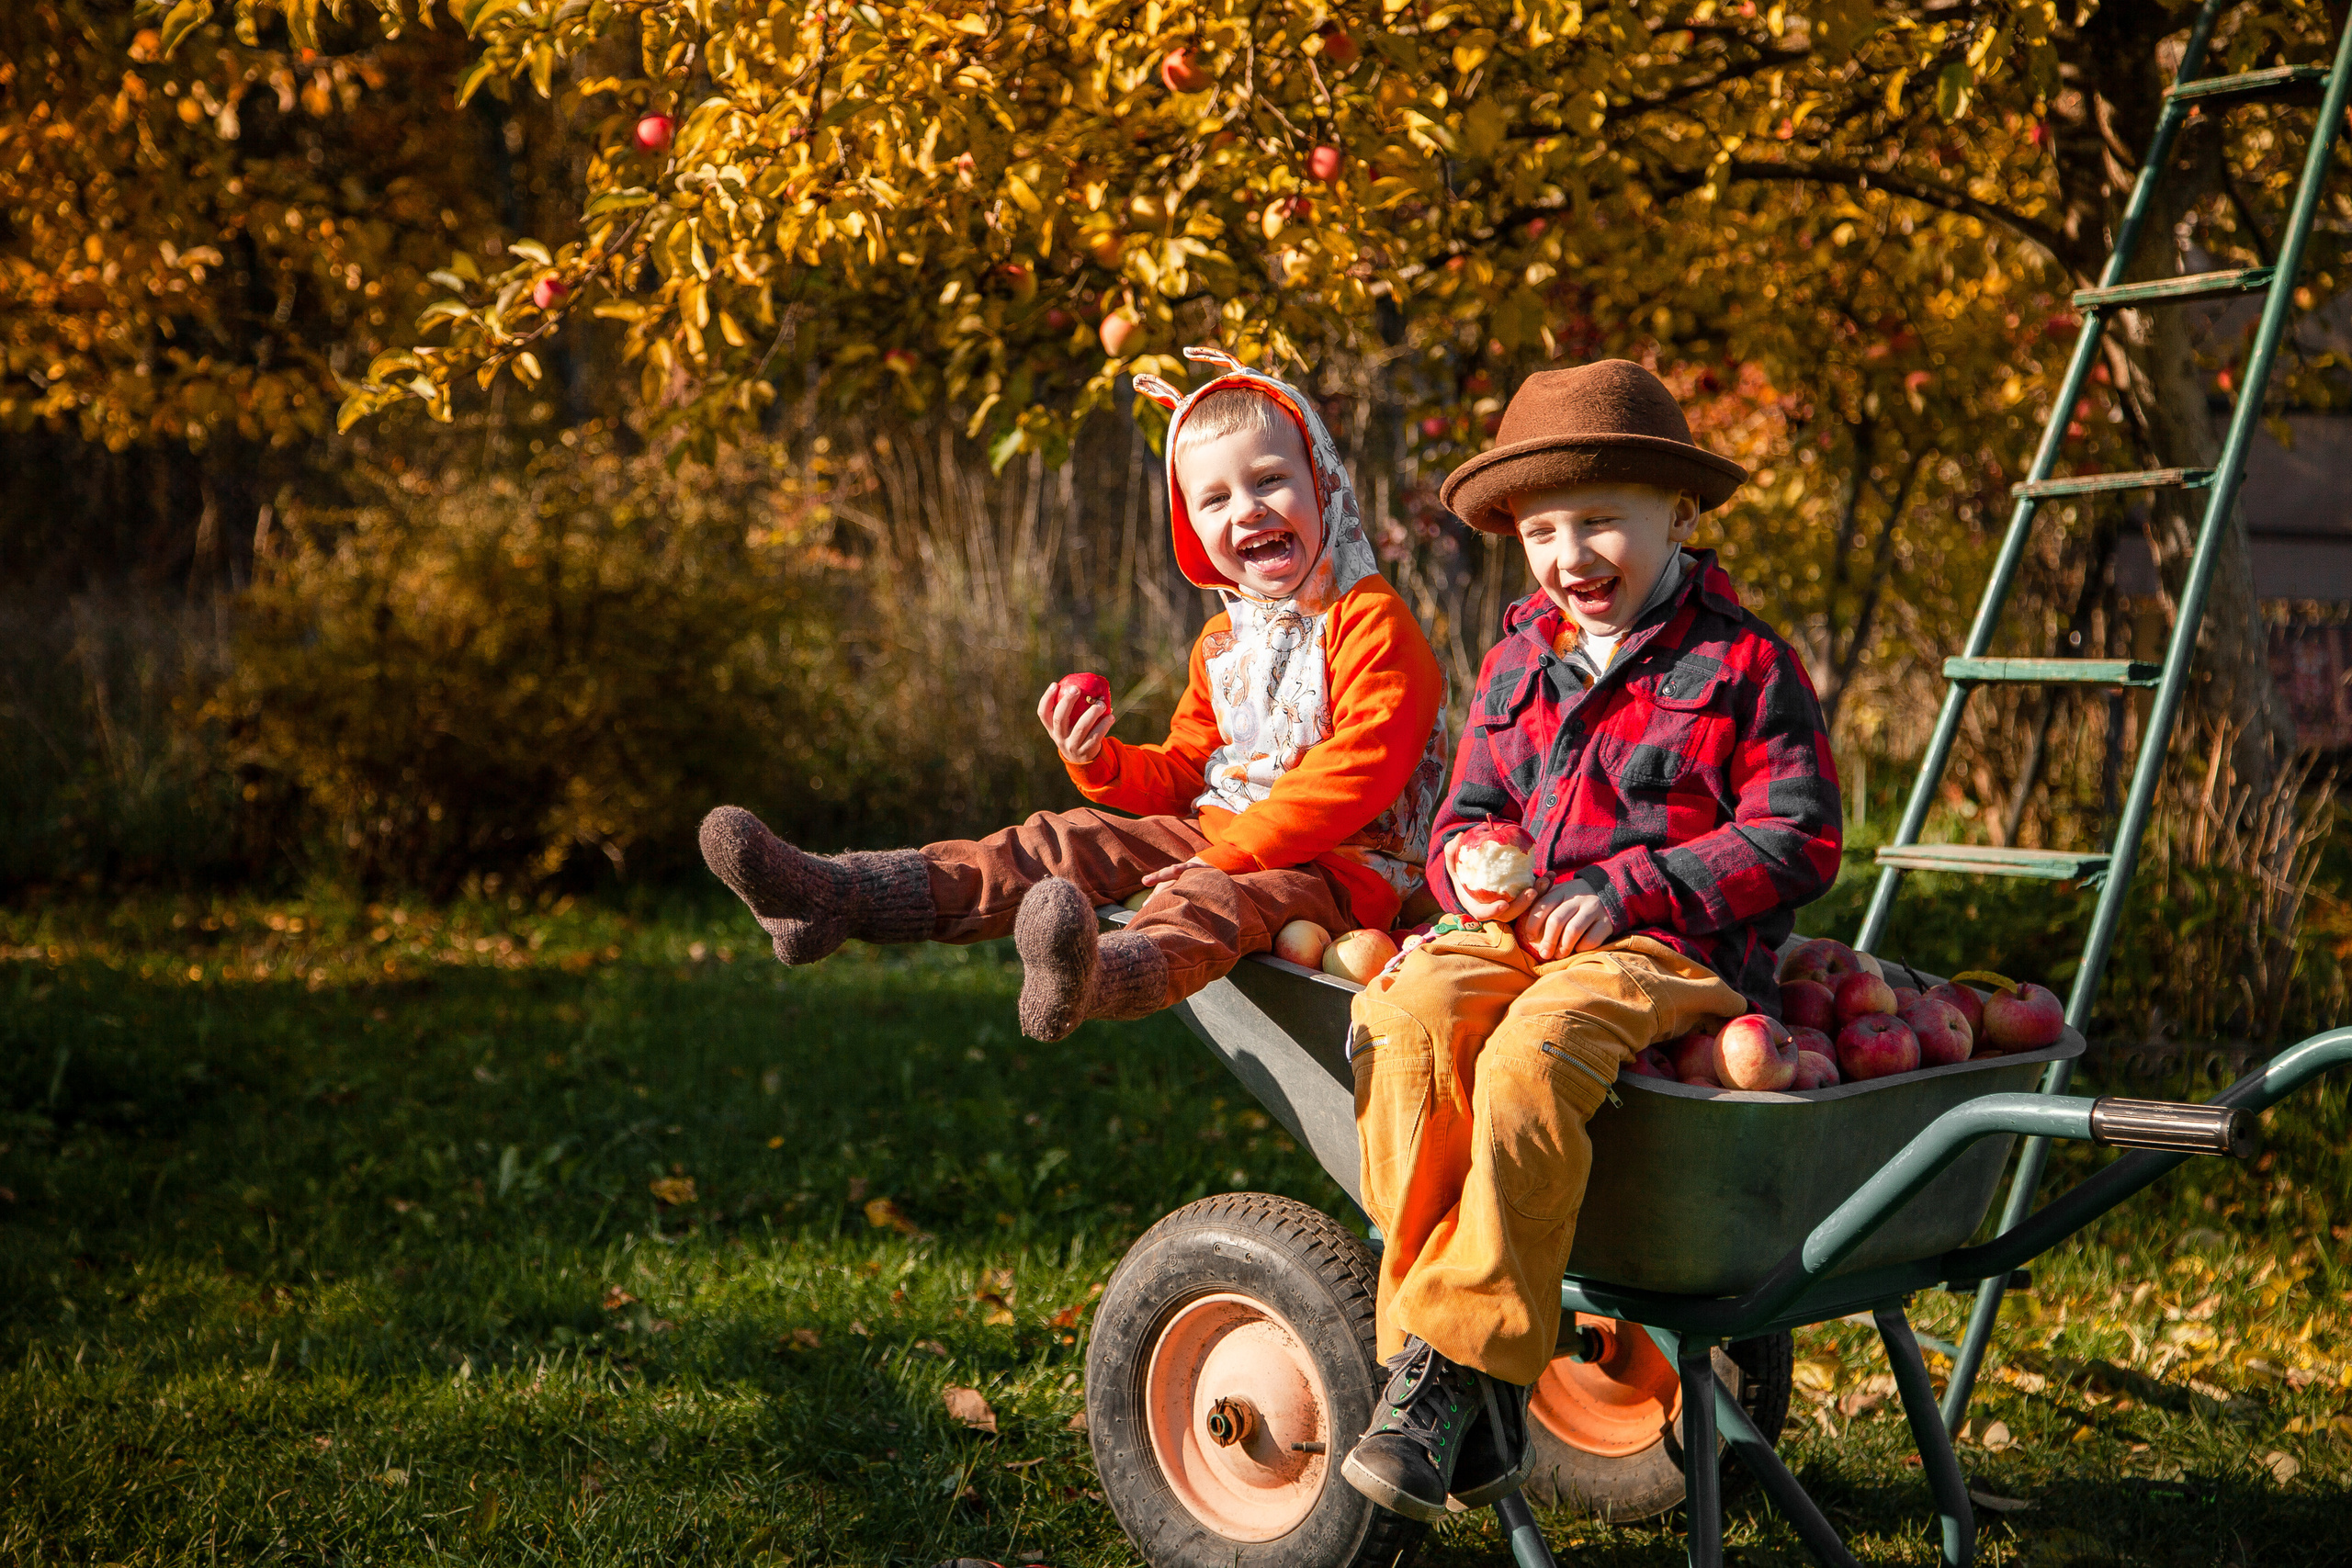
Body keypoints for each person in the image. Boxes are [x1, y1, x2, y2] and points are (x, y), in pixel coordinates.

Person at [1339, 359, 1842, 1521]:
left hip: (1667, 951)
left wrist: (1630, 887)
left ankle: (1448, 1377)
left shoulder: (1745, 666)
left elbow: (1799, 837)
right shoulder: (1518, 660)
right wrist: (1463, 863)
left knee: (1532, 1050)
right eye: (1544, 530)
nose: (1572, 556)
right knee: (1400, 1018)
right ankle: (1454, 1374)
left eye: (1602, 522)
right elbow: (1466, 813)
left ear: (1678, 516)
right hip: (1517, 931)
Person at [699, 347, 1449, 1043]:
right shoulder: (1224, 644)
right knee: (1063, 838)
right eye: (1213, 499)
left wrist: (1226, 857)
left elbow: (1358, 771)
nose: (1244, 509)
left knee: (1216, 906)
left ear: (1323, 483)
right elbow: (1188, 769)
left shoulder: (1372, 621)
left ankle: (1096, 975)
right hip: (1219, 835)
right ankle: (842, 894)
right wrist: (1101, 760)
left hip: (1338, 873)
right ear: (1191, 528)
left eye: (1270, 481)